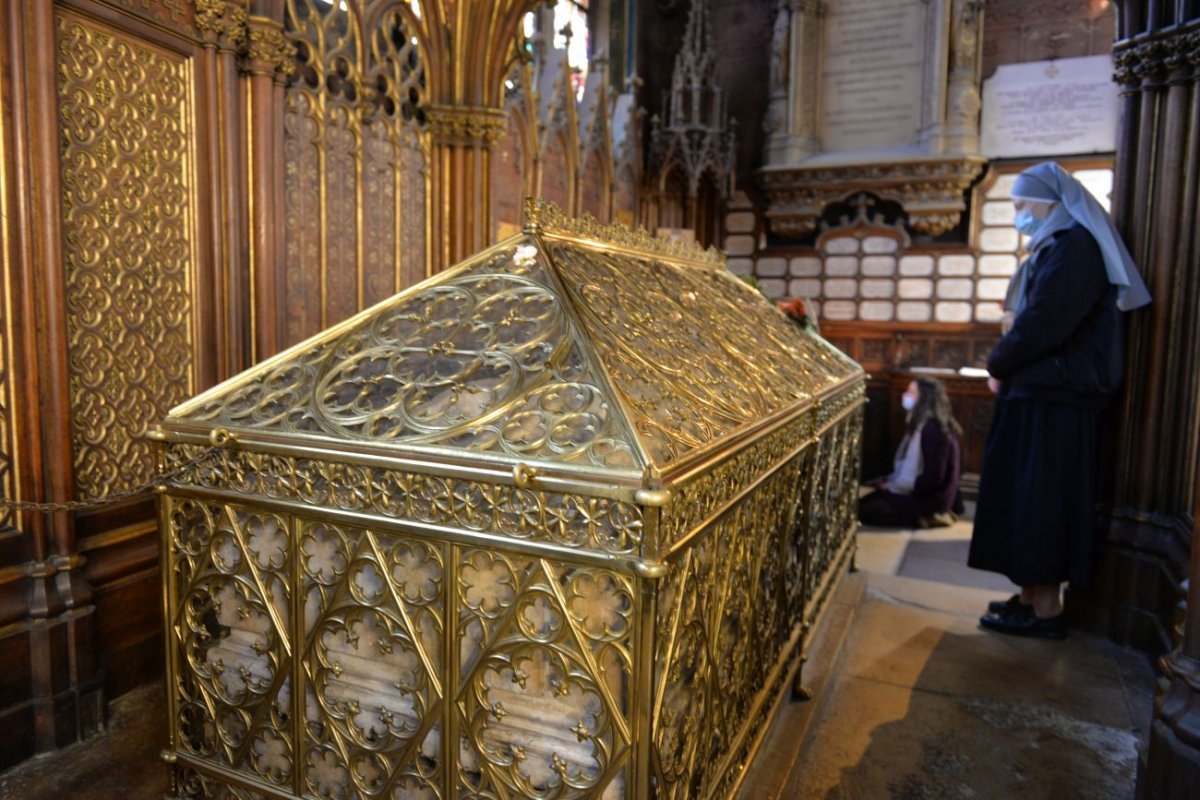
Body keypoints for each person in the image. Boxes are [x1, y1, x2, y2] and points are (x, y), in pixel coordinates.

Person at [968, 162, 1152, 639]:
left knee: (1043, 499)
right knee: (1025, 497)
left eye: (1024, 205)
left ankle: (1045, 608)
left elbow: (1045, 322)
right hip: (1042, 393)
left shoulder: (1078, 249)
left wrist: (998, 363)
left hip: (1058, 397)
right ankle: (1030, 593)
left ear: (1052, 203)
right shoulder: (1058, 247)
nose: (1019, 215)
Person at [859, 376, 962, 529]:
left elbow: (934, 478)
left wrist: (896, 487)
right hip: (919, 492)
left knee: (866, 511)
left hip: (929, 499)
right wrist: (890, 483)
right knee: (863, 504)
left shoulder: (932, 430)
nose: (905, 395)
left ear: (924, 399)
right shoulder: (922, 424)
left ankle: (929, 518)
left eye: (911, 392)